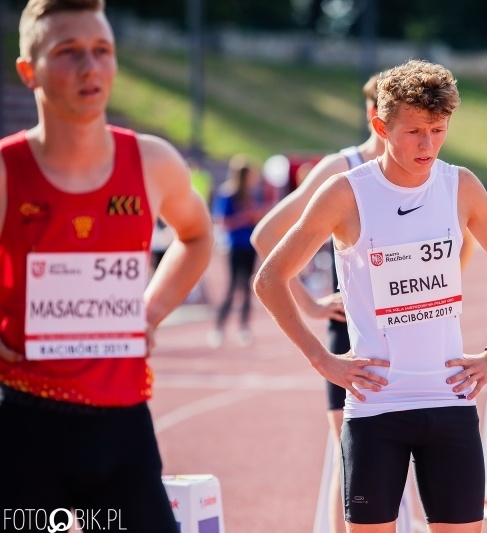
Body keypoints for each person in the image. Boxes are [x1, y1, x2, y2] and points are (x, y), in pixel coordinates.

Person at [254, 59, 487, 533]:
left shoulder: (460, 185)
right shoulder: (345, 194)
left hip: (450, 402)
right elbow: (270, 278)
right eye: (414, 132)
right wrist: (324, 360)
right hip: (376, 406)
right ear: (381, 126)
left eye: (438, 130)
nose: (428, 145)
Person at [0, 1, 213, 531]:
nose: (90, 67)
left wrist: (153, 309)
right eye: (68, 53)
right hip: (26, 420)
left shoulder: (152, 162)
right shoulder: (6, 171)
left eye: (102, 51)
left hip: (123, 426)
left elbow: (196, 234)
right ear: (29, 71)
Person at [251, 71, 384, 533]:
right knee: (353, 458)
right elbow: (265, 235)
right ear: (377, 116)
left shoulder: (427, 173)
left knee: (404, 462)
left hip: (411, 333)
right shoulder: (340, 168)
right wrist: (309, 304)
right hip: (351, 333)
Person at [208, 154, 266, 348]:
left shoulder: (251, 194)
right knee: (233, 287)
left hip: (250, 246)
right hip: (235, 246)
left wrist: (257, 216)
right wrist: (246, 216)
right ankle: (219, 327)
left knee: (249, 288)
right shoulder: (228, 194)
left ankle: (244, 327)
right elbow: (222, 221)